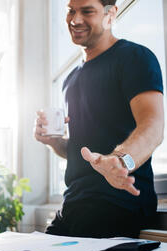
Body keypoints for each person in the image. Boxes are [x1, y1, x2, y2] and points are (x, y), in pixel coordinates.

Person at [34, 0, 164, 238]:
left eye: (87, 11)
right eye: (71, 11)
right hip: (73, 203)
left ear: (110, 14)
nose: (75, 20)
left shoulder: (135, 58)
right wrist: (53, 142)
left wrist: (120, 160)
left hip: (118, 203)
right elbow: (79, 151)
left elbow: (154, 126)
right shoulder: (70, 80)